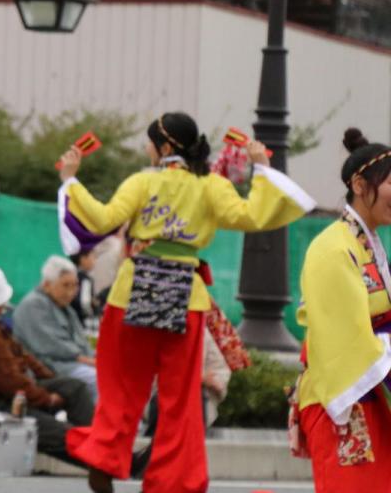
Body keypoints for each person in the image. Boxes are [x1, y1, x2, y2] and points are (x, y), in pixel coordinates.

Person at [56, 112, 316, 493]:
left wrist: (70, 181)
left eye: (149, 143)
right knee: (180, 398)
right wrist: (261, 168)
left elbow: (100, 220)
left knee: (121, 386)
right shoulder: (210, 186)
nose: (146, 150)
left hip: (133, 293)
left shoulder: (143, 181)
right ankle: (173, 482)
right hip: (186, 297)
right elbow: (250, 215)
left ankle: (105, 457)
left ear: (164, 147)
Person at [293, 128, 391, 491]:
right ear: (360, 184)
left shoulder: (366, 244)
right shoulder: (334, 248)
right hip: (344, 397)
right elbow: (347, 339)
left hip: (370, 392)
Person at [0, 265, 94, 468]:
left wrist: (48, 380)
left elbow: (22, 356)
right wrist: (47, 399)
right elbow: (9, 381)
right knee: (60, 434)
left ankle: (98, 444)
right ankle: (101, 455)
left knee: (75, 388)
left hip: (8, 395)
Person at [13, 255, 98, 403]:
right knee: (97, 379)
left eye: (75, 285)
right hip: (52, 367)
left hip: (73, 364)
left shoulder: (64, 307)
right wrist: (89, 360)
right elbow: (52, 346)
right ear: (47, 284)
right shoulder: (33, 305)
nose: (71, 292)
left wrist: (95, 358)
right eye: (65, 285)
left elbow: (81, 342)